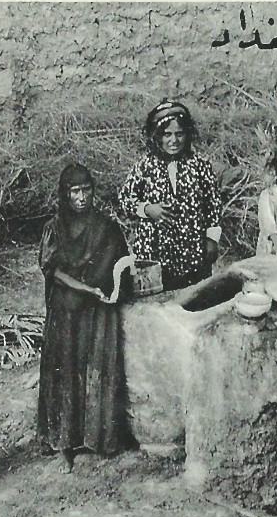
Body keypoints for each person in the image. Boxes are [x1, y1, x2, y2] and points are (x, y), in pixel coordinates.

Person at [38, 163, 136, 473]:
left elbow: (122, 264)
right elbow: (53, 270)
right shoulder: (55, 228)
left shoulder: (106, 226)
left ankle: (100, 436)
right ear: (65, 195)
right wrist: (86, 287)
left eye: (86, 190)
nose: (81, 197)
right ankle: (64, 441)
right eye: (75, 192)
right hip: (67, 309)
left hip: (99, 310)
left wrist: (108, 290)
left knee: (97, 367)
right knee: (66, 369)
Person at [118, 100, 223, 291]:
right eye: (167, 134)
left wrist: (212, 239)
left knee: (193, 299)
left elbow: (213, 204)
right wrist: (148, 209)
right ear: (157, 136)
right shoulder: (145, 166)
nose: (173, 141)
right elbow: (125, 199)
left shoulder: (200, 166)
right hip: (154, 249)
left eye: (179, 134)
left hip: (192, 249)